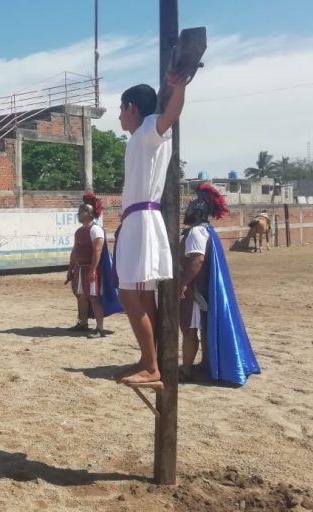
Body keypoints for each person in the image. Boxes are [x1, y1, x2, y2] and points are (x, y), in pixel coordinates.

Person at [114, 71, 190, 384]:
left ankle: (151, 365)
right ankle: (150, 359)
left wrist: (179, 89)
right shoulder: (138, 140)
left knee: (129, 293)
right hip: (136, 220)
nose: (119, 115)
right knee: (141, 296)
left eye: (121, 108)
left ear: (132, 107)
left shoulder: (148, 129)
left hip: (142, 220)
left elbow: (169, 117)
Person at [179, 184, 260, 385]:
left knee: (189, 329)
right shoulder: (207, 230)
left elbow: (196, 260)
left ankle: (186, 370)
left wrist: (182, 284)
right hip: (202, 289)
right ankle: (207, 364)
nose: (186, 211)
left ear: (198, 210)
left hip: (194, 290)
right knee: (202, 328)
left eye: (189, 207)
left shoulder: (197, 232)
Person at [65, 193, 111, 339]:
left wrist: (92, 270)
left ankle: (100, 328)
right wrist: (70, 269)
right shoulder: (79, 231)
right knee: (81, 297)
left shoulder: (95, 230)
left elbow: (97, 250)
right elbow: (74, 251)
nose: (78, 214)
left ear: (89, 213)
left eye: (81, 212)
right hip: (79, 268)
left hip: (91, 269)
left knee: (93, 297)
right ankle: (83, 323)